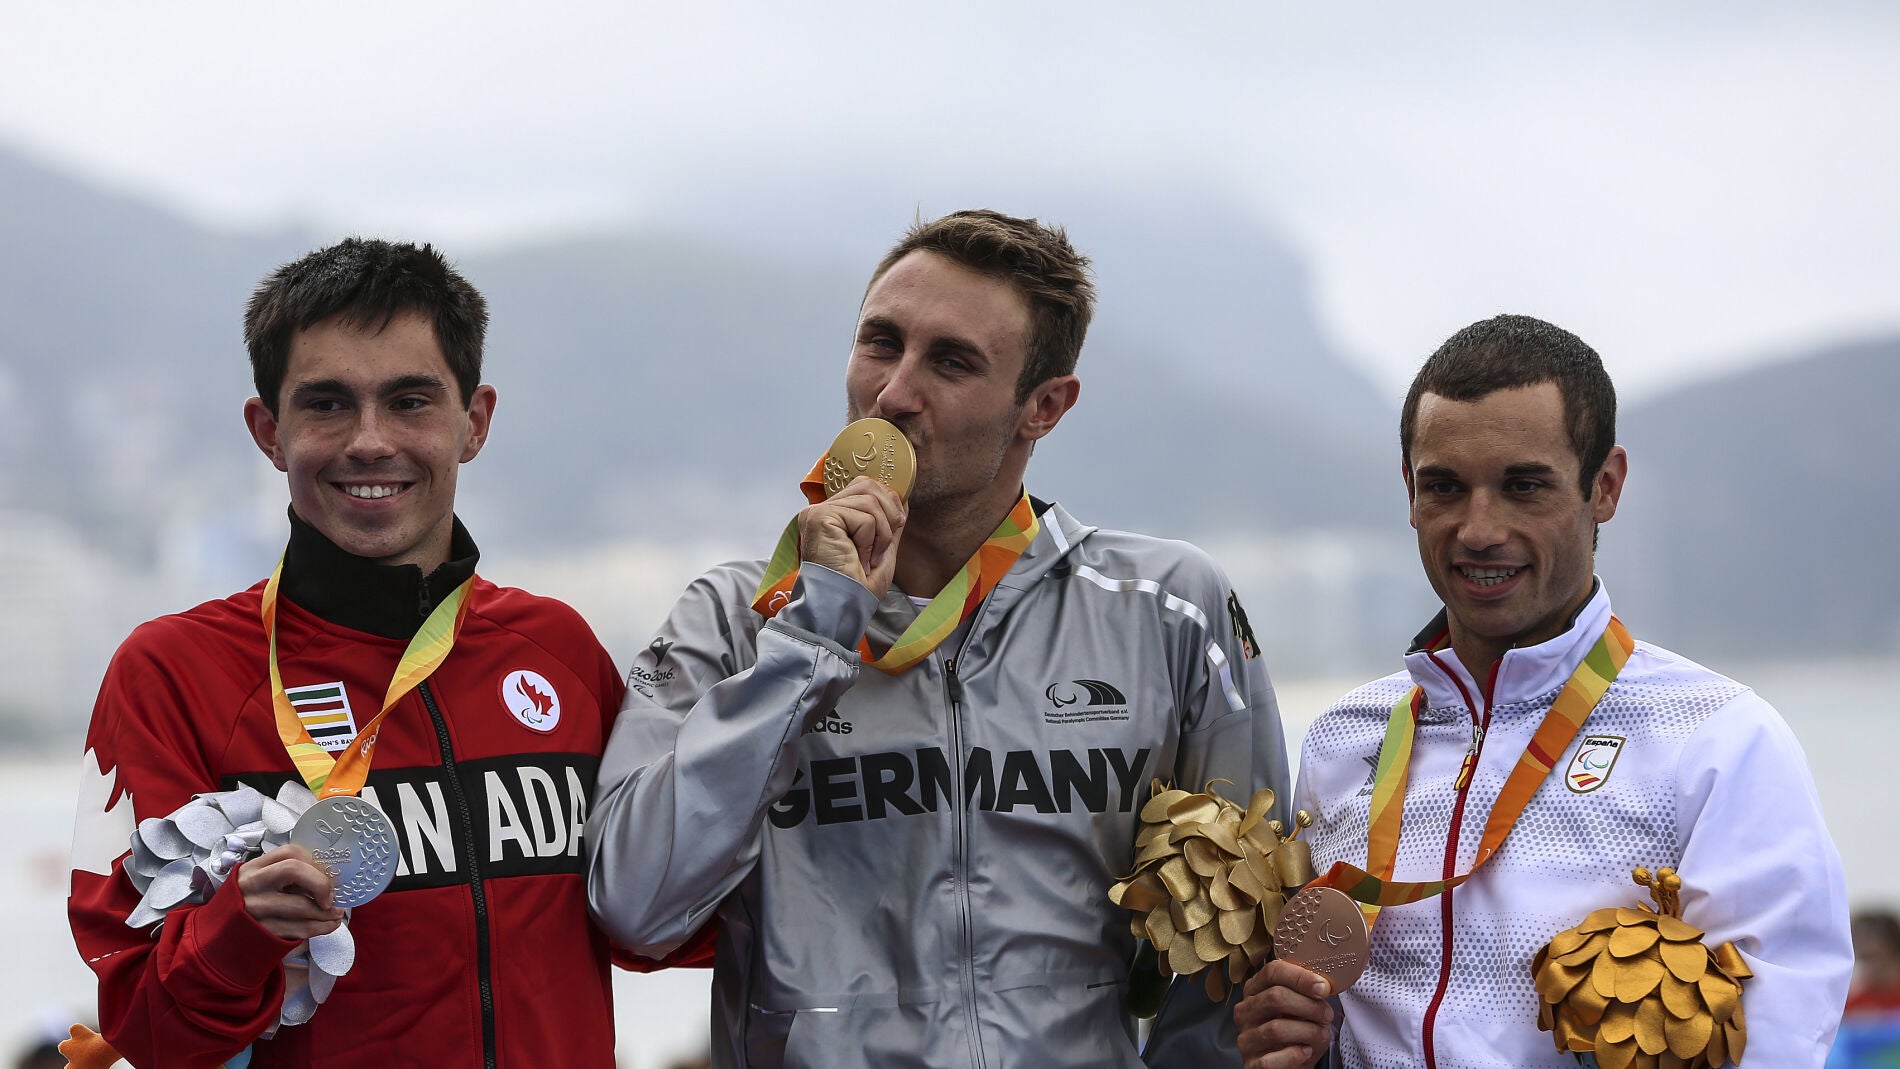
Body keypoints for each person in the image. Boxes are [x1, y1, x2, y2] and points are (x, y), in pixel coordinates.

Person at [585, 209, 1290, 1067]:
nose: (893, 394)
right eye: (881, 343)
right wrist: (815, 633)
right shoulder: (736, 618)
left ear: (1044, 406)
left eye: (951, 362)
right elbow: (636, 905)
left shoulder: (1169, 611)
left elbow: (1236, 957)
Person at [67, 238, 704, 1069]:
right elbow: (147, 1030)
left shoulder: (559, 650)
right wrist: (238, 928)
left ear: (475, 421)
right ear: (268, 431)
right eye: (327, 404)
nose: (370, 441)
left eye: (410, 401)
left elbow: (661, 927)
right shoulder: (170, 674)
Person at [1234, 315, 1854, 1068]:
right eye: (1445, 487)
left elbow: (1772, 1042)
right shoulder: (1344, 738)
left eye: (1523, 486)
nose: (1478, 529)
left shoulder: (1716, 739)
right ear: (1409, 490)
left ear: (1605, 485)